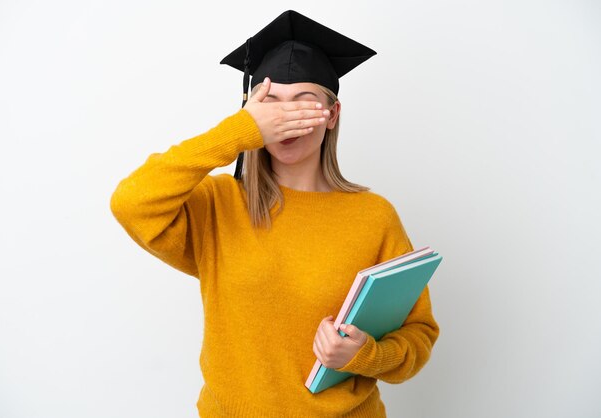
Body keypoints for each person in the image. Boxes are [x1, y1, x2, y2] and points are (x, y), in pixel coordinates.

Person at [110, 10, 439, 418]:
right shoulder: (218, 205)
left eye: (305, 104)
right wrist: (239, 130)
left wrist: (364, 354)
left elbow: (418, 336)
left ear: (332, 114)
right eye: (272, 106)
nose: (286, 120)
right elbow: (131, 202)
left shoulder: (373, 216)